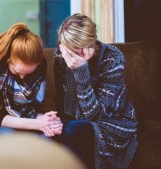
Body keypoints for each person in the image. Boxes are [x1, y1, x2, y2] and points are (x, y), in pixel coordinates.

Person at [53, 13, 138, 169]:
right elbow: (65, 107)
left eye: (76, 51)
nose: (70, 56)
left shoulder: (112, 59)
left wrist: (81, 72)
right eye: (68, 50)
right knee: (53, 130)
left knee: (74, 130)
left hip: (113, 122)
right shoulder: (61, 56)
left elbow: (93, 116)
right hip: (78, 120)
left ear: (91, 43)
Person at [0, 23, 63, 140]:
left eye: (28, 73)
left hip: (21, 124)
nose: (22, 77)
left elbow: (32, 110)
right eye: (17, 72)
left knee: (48, 139)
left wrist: (47, 121)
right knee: (12, 138)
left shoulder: (40, 65)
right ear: (8, 59)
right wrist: (38, 124)